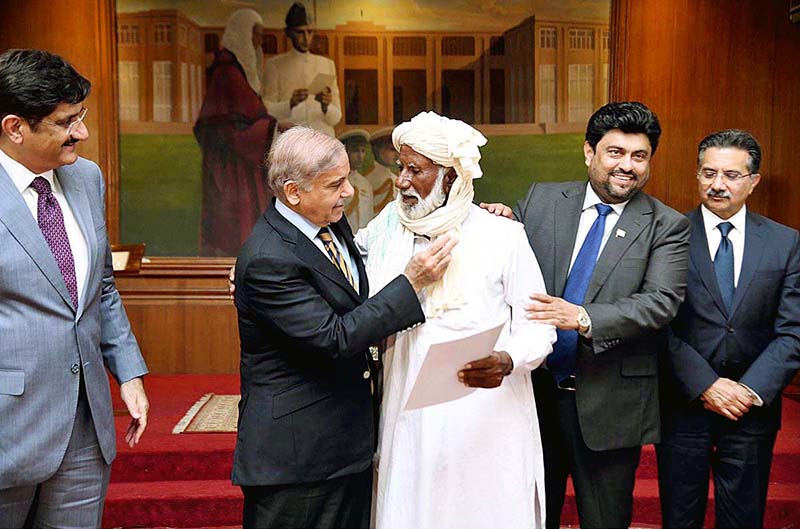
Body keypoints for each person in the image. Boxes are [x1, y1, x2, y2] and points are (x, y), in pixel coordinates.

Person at [232, 125, 456, 528]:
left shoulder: (328, 223)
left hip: (344, 448)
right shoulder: (268, 258)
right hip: (297, 460)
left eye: (347, 179)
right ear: (293, 192)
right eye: (335, 184)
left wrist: (473, 208)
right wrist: (412, 283)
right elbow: (333, 337)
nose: (349, 192)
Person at [486, 101, 691, 528]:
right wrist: (496, 222)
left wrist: (581, 316)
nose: (627, 166)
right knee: (528, 515)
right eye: (615, 152)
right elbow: (503, 265)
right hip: (531, 396)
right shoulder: (542, 200)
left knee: (605, 519)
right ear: (588, 152)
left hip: (609, 402)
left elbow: (660, 302)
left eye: (639, 156)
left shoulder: (665, 225)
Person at [355, 111, 557, 529]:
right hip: (408, 406)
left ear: (451, 177)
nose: (402, 181)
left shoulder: (503, 235)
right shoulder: (386, 228)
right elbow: (340, 270)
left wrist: (508, 359)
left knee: (483, 509)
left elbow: (538, 322)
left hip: (486, 411)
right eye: (400, 167)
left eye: (416, 170)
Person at [0, 49, 149, 527]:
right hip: (7, 424)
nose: (81, 133)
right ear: (15, 127)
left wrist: (128, 372)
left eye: (79, 116)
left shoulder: (86, 178)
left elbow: (99, 286)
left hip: (85, 424)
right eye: (66, 122)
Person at [657, 129, 800, 528]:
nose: (718, 184)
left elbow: (794, 329)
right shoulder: (667, 235)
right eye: (708, 173)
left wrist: (748, 390)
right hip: (684, 404)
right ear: (697, 175)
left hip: (751, 408)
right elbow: (656, 323)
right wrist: (707, 384)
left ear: (753, 181)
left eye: (732, 175)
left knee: (743, 518)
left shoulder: (785, 242)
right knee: (679, 517)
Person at [194, 9, 277, 256]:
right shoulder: (227, 73)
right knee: (234, 225)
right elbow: (228, 130)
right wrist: (271, 128)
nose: (259, 42)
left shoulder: (237, 71)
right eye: (256, 35)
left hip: (243, 165)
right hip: (230, 169)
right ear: (242, 34)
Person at [263, 2, 341, 137]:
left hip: (321, 139)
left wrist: (325, 106)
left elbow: (336, 117)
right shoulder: (275, 65)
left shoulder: (327, 65)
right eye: (300, 32)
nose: (306, 38)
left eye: (309, 32)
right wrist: (290, 103)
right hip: (291, 139)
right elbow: (267, 111)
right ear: (288, 33)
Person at [339, 129, 374, 231]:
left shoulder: (365, 183)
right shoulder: (337, 181)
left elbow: (369, 214)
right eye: (355, 151)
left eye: (362, 151)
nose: (360, 156)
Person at [365, 127, 398, 214]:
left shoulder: (395, 179)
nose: (396, 154)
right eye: (391, 149)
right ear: (378, 150)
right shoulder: (368, 180)